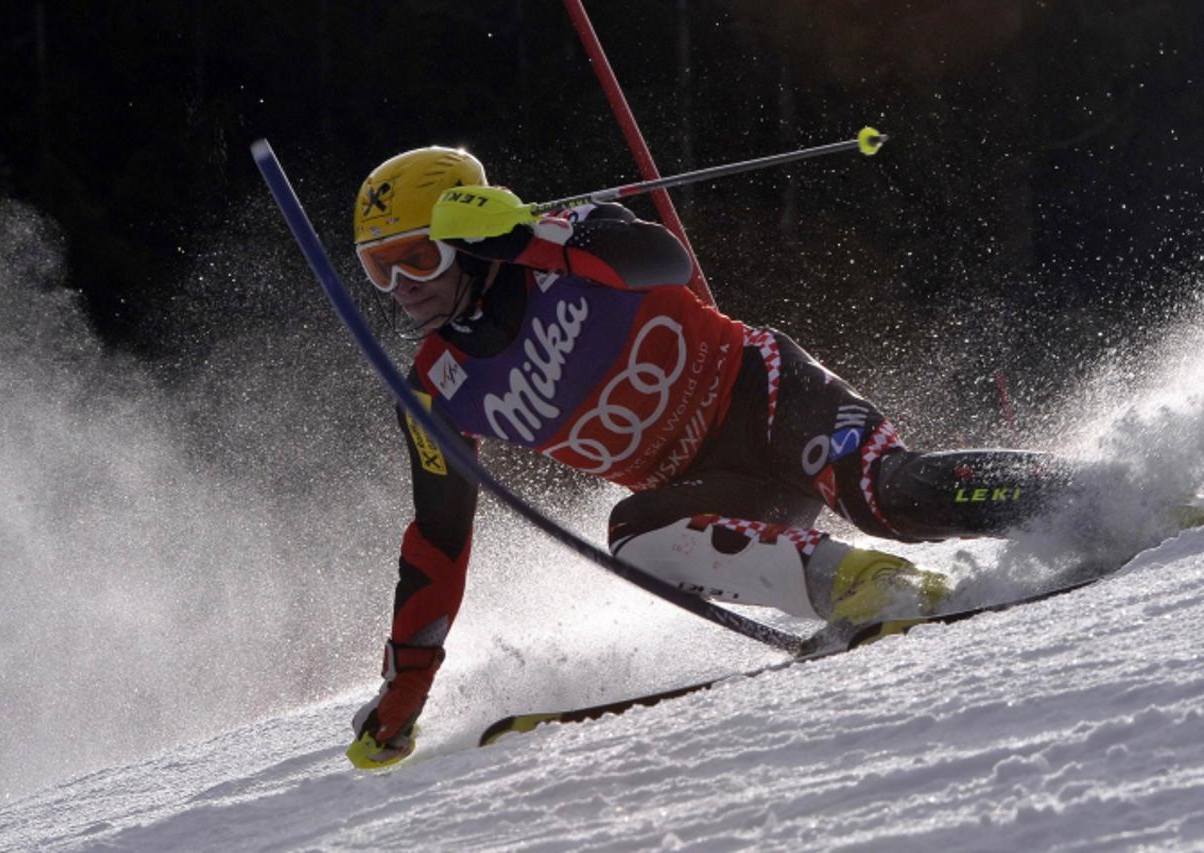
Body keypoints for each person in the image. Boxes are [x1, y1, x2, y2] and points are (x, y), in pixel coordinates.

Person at [344, 145, 1077, 769]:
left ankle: (1095, 493)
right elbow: (439, 538)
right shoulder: (437, 389)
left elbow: (661, 262)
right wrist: (407, 685)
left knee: (888, 495)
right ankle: (865, 587)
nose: (403, 288)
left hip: (768, 398)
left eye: (418, 257)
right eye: (381, 270)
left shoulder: (563, 239)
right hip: (711, 490)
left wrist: (526, 233)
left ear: (469, 233)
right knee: (634, 538)